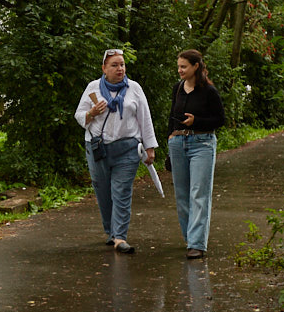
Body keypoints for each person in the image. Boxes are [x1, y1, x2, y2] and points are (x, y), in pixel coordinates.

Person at [75, 48, 158, 254]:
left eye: (122, 64)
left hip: (127, 149)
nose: (120, 68)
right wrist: (91, 113)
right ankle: (111, 231)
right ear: (104, 68)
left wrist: (150, 147)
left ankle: (120, 237)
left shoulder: (134, 88)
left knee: (121, 192)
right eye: (114, 65)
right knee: (103, 192)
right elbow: (79, 115)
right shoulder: (93, 87)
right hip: (98, 149)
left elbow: (145, 118)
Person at [166, 49, 225, 258]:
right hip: (177, 143)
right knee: (182, 195)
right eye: (178, 67)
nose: (180, 70)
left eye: (184, 66)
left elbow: (220, 120)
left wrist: (196, 121)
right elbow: (172, 116)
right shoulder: (178, 89)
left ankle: (197, 244)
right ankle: (189, 237)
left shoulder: (209, 91)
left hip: (202, 143)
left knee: (198, 193)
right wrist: (169, 142)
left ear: (195, 66)